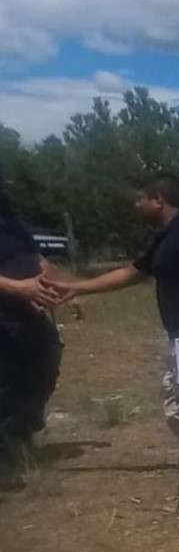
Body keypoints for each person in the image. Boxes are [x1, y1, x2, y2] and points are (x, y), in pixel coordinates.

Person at [58, 172, 179, 517]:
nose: (135, 205)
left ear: (158, 200)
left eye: (140, 199)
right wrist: (79, 287)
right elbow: (132, 272)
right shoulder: (167, 236)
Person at [0, 171, 67, 487]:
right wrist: (18, 288)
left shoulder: (8, 217)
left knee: (47, 358)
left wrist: (57, 284)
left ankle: (22, 429)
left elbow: (35, 256)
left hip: (28, 313)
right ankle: (7, 461)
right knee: (6, 383)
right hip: (5, 315)